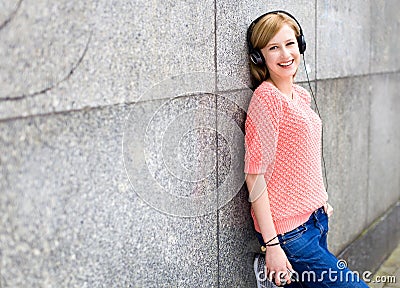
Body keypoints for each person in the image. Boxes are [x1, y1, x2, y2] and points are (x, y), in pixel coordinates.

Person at [244, 11, 369, 287]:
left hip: (316, 221)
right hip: (291, 234)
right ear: (259, 56)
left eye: (290, 44)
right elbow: (255, 176)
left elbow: (300, 156)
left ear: (300, 46)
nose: (285, 54)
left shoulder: (299, 95)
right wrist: (273, 246)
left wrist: (316, 198)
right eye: (273, 47)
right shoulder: (266, 100)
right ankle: (272, 268)